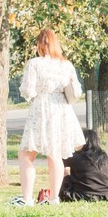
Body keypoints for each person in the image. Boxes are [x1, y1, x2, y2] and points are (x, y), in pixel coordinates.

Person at [14, 28, 84, 205]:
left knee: (26, 155)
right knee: (55, 155)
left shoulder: (35, 63)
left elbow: (28, 90)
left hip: (42, 109)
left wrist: (32, 93)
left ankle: (27, 198)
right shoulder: (66, 65)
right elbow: (76, 90)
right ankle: (54, 198)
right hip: (61, 110)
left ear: (39, 44)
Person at [59, 128, 108, 201]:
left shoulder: (75, 157)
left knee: (64, 171)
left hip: (83, 194)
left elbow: (58, 163)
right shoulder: (103, 156)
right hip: (105, 194)